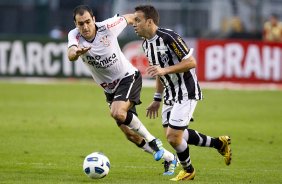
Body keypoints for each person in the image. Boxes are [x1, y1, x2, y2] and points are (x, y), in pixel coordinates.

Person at [67, 5, 177, 175]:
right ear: (76, 24)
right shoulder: (74, 35)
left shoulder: (109, 26)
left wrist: (153, 30)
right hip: (110, 90)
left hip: (128, 77)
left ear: (94, 19)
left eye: (88, 22)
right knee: (130, 135)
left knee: (117, 113)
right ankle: (169, 158)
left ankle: (153, 141)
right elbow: (71, 53)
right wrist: (76, 52)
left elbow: (132, 17)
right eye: (80, 24)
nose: (85, 27)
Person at [132, 5, 232, 181]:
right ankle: (219, 143)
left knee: (173, 136)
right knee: (177, 135)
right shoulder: (146, 44)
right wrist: (157, 98)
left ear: (149, 21)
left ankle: (188, 170)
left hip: (186, 90)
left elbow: (191, 62)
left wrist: (164, 71)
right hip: (170, 93)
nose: (134, 24)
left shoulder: (169, 37)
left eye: (137, 20)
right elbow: (158, 71)